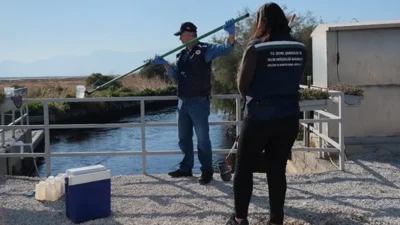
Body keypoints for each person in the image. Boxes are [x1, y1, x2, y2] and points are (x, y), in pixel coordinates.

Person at [225, 2, 307, 225]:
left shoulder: (256, 47)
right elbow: (296, 78)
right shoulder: (300, 47)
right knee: (277, 169)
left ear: (263, 21)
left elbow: (242, 84)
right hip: (289, 116)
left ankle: (240, 219)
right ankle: (276, 220)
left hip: (259, 117)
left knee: (243, 168)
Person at [152, 19, 236, 185]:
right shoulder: (181, 55)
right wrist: (166, 65)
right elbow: (176, 77)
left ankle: (206, 170)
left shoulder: (205, 50)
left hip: (199, 101)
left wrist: (231, 34)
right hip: (183, 102)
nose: (180, 39)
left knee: (203, 139)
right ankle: (186, 167)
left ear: (189, 35)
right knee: (183, 138)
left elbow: (226, 49)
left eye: (181, 35)